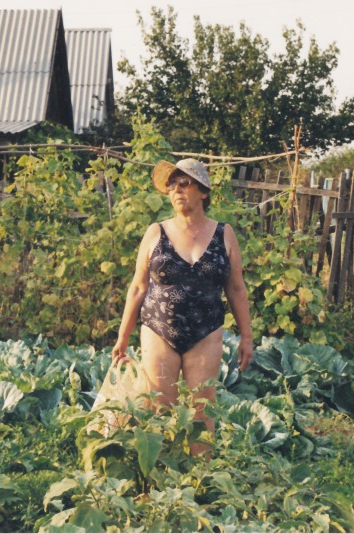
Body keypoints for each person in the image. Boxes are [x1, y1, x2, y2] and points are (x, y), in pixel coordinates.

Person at [111, 158, 253, 456]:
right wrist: (123, 336)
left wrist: (247, 337)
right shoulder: (155, 232)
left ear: (203, 191)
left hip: (206, 332)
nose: (177, 189)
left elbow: (236, 288)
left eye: (184, 183)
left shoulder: (224, 234)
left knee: (201, 411)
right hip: (158, 330)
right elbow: (138, 287)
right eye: (172, 184)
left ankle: (199, 482)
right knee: (159, 408)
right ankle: (162, 482)